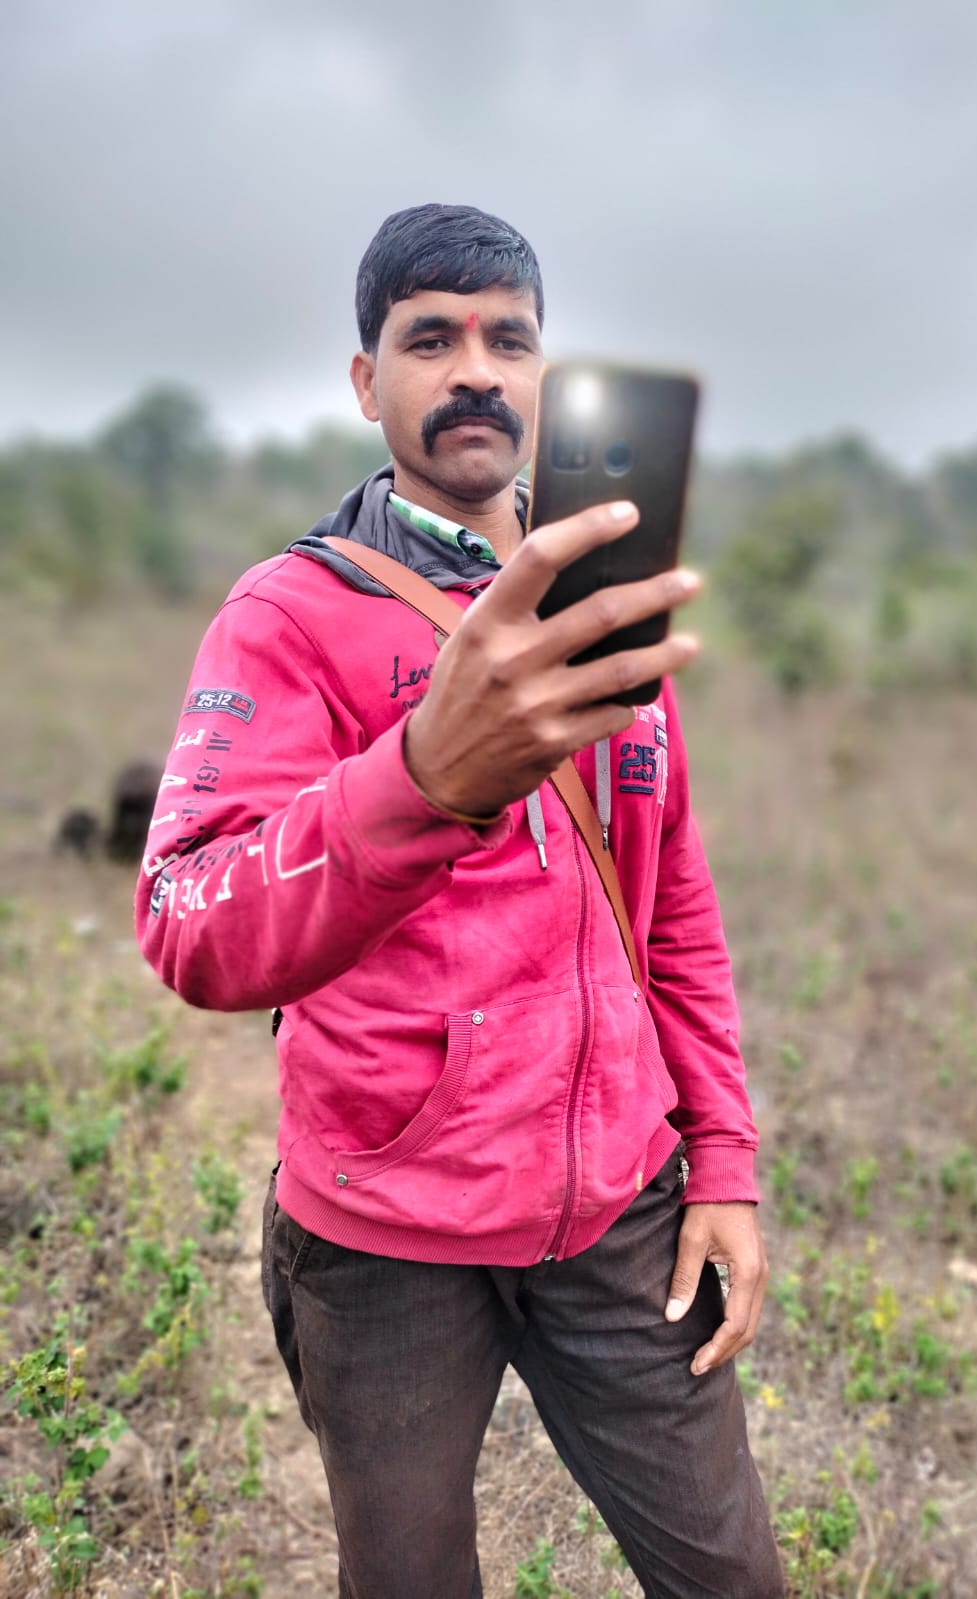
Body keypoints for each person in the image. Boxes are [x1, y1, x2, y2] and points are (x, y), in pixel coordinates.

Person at [135, 203, 784, 1598]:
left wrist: (721, 1161)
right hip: (383, 1228)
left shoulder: (604, 606)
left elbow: (669, 901)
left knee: (732, 1578)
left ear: (545, 379)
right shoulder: (286, 616)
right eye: (430, 339)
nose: (475, 370)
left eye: (510, 341)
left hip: (621, 1206)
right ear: (366, 381)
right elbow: (188, 920)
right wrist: (422, 774)